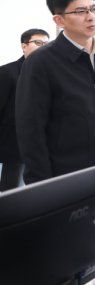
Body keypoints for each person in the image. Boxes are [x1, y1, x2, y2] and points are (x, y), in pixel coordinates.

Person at [16, 0, 95, 184]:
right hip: (65, 179)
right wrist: (42, 186)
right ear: (59, 20)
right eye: (80, 11)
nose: (91, 16)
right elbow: (30, 131)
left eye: (93, 8)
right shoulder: (41, 62)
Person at [0, 29, 49, 191]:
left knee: (39, 187)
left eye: (46, 44)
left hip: (43, 139)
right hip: (14, 141)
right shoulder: (7, 72)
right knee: (11, 188)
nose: (43, 47)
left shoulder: (49, 72)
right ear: (24, 46)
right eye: (38, 43)